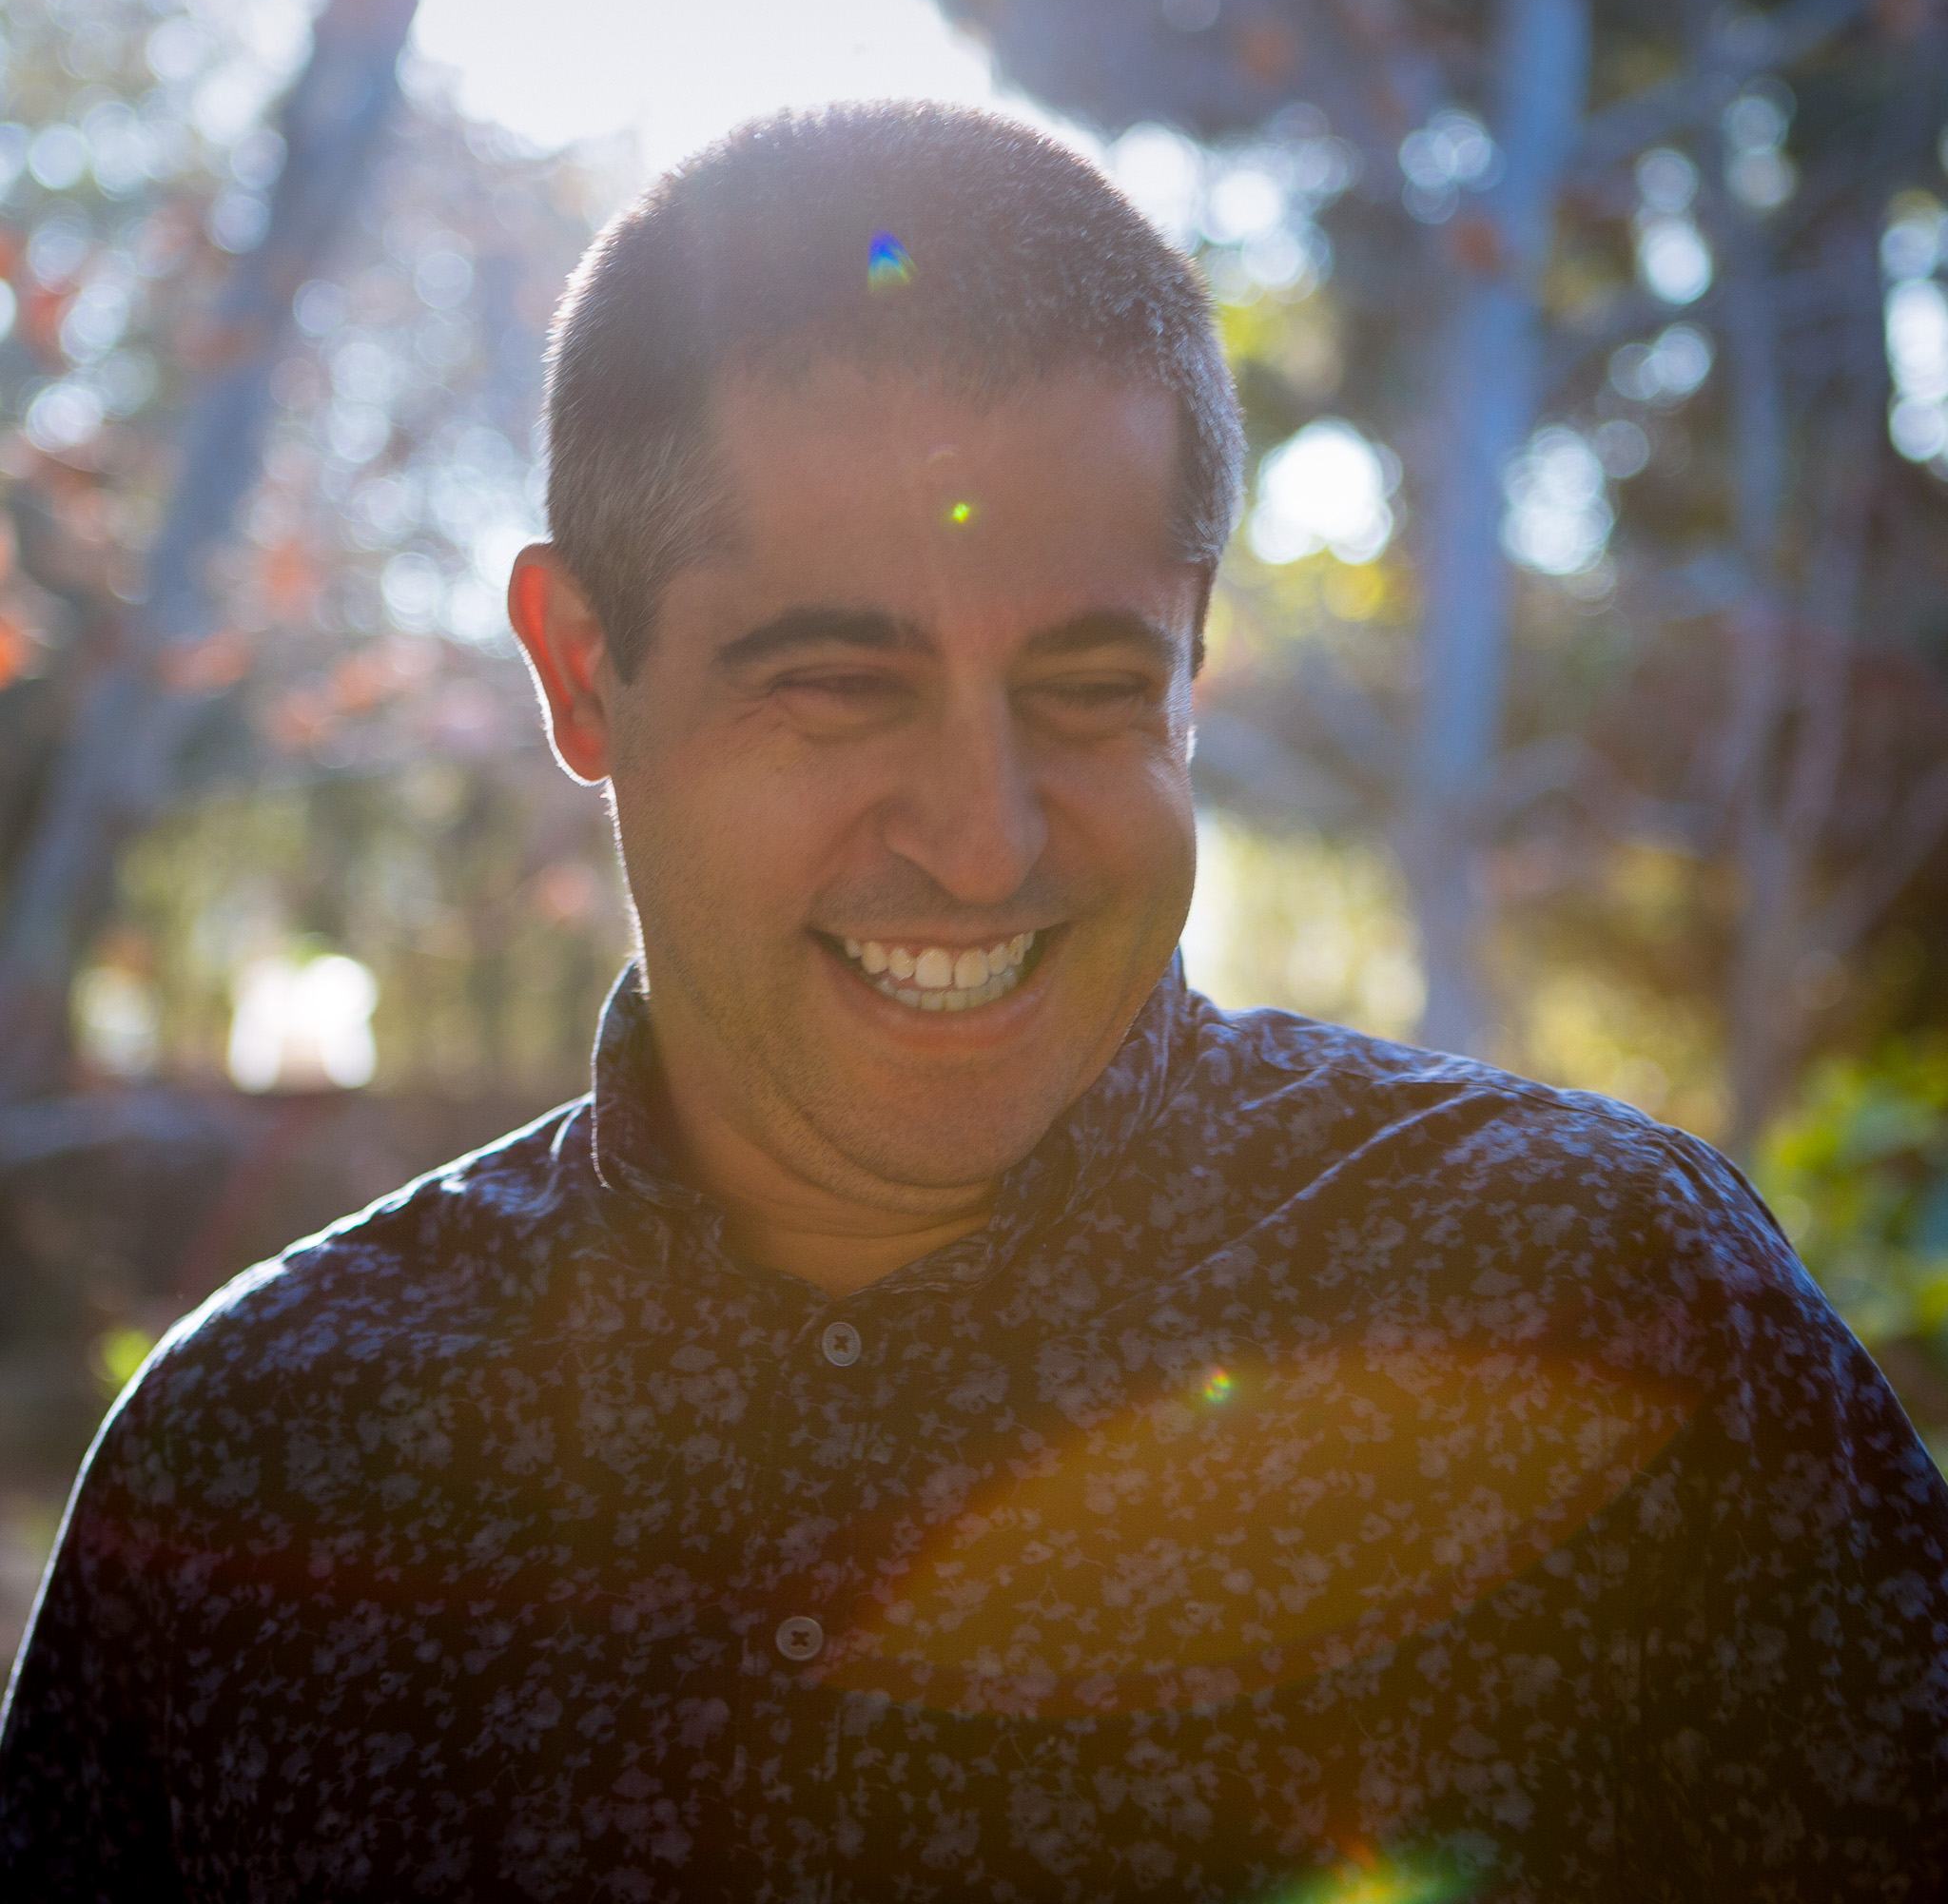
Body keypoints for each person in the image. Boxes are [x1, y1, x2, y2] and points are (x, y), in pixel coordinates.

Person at [2, 103, 1944, 1903]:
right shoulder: (251, 1470)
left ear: (1193, 661)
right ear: (583, 670)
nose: (983, 836)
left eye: (1092, 688)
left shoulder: (1601, 1302)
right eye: (837, 684)